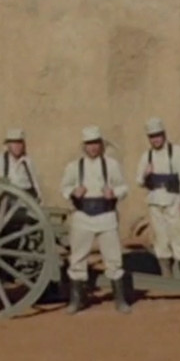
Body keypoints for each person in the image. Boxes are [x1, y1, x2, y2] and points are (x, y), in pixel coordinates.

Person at [60, 126, 131, 314]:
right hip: (82, 216)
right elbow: (64, 187)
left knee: (113, 258)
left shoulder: (111, 165)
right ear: (84, 146)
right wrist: (73, 192)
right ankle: (77, 300)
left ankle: (120, 300)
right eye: (89, 144)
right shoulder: (74, 167)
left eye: (95, 143)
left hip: (106, 216)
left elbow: (124, 187)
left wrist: (113, 193)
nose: (92, 147)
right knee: (78, 258)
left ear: (101, 145)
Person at [135, 117, 180, 280]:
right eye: (152, 136)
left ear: (163, 135)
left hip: (174, 200)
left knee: (179, 236)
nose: (155, 139)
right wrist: (146, 174)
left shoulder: (177, 152)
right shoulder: (147, 156)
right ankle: (166, 275)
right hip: (155, 201)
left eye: (157, 135)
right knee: (160, 238)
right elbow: (139, 180)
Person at [0, 128, 43, 201]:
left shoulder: (27, 161)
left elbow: (35, 181)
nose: (17, 146)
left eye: (19, 143)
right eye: (14, 143)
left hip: (25, 197)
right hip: (7, 199)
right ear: (8, 145)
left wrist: (38, 197)